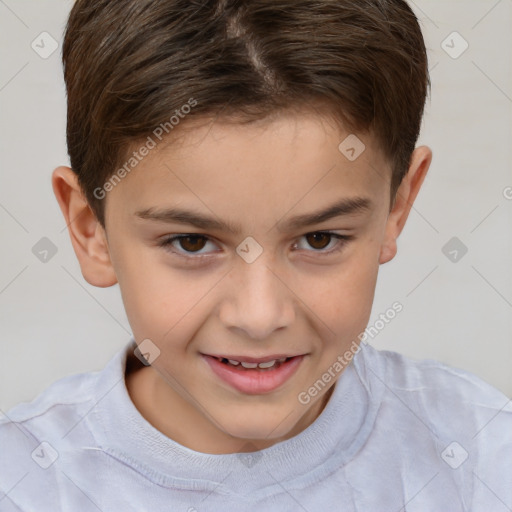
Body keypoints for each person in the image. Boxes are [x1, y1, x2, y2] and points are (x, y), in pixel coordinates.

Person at [1, 0, 510, 510]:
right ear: (92, 230)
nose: (260, 316)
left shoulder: (481, 456)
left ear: (397, 204)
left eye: (319, 239)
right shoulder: (23, 483)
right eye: (192, 242)